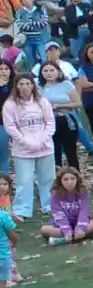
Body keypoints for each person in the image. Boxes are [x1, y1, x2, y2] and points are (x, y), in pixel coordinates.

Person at [4, 74, 55, 220]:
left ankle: (50, 205)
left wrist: (42, 140)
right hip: (23, 150)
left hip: (45, 147)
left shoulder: (42, 101)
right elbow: (10, 127)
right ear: (16, 86)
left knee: (47, 178)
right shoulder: (10, 104)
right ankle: (22, 210)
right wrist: (26, 142)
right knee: (24, 180)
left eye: (28, 84)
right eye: (21, 84)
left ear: (33, 85)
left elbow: (50, 123)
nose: (25, 87)